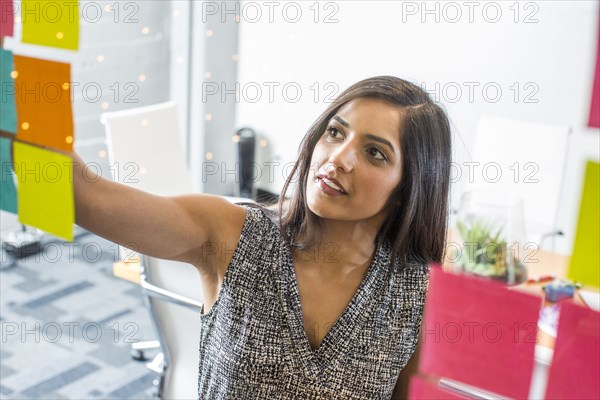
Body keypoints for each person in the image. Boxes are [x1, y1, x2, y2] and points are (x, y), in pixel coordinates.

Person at [72, 75, 452, 399]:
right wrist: (21, 89)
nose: (338, 158)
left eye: (374, 153)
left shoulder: (418, 291)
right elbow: (84, 197)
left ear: (408, 186)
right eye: (335, 132)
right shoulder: (231, 233)